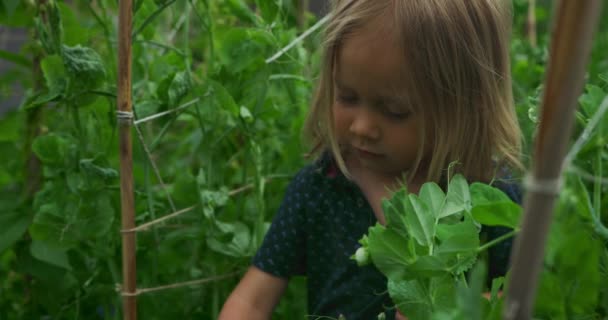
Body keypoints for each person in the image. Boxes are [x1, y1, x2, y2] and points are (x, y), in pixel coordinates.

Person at [219, 0, 522, 319]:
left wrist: (452, 307)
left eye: (394, 111)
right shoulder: (323, 188)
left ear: (465, 106)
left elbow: (520, 301)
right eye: (347, 97)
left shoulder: (490, 200)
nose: (361, 127)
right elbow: (250, 302)